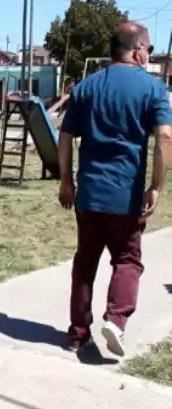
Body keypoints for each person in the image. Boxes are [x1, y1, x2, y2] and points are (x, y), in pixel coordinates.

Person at [58, 21, 171, 357]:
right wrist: (156, 186)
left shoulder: (86, 87)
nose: (149, 54)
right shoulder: (153, 89)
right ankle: (116, 319)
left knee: (85, 262)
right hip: (126, 195)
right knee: (127, 260)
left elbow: (65, 137)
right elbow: (165, 137)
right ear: (137, 49)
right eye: (148, 48)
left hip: (89, 194)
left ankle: (78, 333)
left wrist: (66, 180)